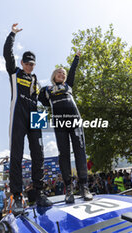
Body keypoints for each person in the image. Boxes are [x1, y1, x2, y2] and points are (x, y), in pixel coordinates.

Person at [3, 23, 52, 214]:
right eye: (27, 63)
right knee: (16, 155)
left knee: (38, 154)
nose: (30, 66)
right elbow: (7, 54)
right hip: (18, 113)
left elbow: (44, 101)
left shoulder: (37, 81)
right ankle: (16, 196)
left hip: (37, 115)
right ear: (22, 63)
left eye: (32, 64)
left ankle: (39, 193)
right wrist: (12, 34)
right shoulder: (14, 72)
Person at [38, 51, 93, 204]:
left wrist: (76, 58)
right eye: (59, 73)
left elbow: (73, 70)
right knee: (64, 154)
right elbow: (41, 101)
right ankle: (68, 189)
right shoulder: (47, 89)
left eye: (64, 73)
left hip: (75, 120)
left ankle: (84, 186)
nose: (62, 74)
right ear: (54, 76)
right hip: (59, 122)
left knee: (80, 150)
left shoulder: (68, 85)